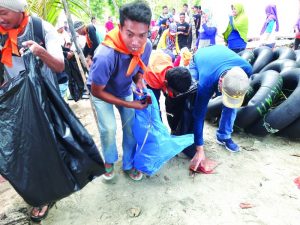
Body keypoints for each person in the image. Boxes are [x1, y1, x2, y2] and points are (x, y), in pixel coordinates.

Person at [0, 0, 64, 222]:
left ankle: (44, 196)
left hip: (44, 99)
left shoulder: (41, 28)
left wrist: (40, 52)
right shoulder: (1, 33)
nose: (0, 19)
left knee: (41, 149)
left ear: (18, 11)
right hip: (15, 103)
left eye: (2, 13)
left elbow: (59, 65)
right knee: (23, 150)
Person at [90, 1, 152, 181]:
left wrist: (140, 80)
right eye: (130, 34)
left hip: (124, 88)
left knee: (132, 127)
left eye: (142, 35)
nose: (136, 42)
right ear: (120, 28)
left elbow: (138, 71)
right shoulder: (105, 55)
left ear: (148, 31)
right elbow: (96, 92)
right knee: (109, 128)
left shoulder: (146, 46)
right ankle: (109, 160)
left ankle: (129, 162)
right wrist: (128, 103)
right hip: (102, 93)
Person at [189, 45, 252, 174]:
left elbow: (235, 90)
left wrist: (230, 95)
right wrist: (200, 149)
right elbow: (199, 115)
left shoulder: (246, 70)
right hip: (200, 57)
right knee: (191, 95)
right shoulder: (206, 82)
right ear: (221, 82)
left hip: (218, 56)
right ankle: (189, 135)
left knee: (232, 102)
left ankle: (224, 136)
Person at [144, 49, 191, 113]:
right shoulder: (153, 81)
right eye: (175, 92)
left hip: (157, 57)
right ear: (166, 83)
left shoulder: (170, 64)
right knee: (154, 104)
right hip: (148, 75)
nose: (176, 94)